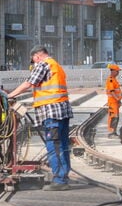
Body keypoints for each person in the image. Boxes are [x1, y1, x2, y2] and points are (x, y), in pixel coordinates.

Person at [7, 46, 73, 191]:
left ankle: (60, 180)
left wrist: (10, 95)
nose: (34, 64)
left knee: (54, 145)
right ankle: (64, 176)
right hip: (62, 110)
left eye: (33, 61)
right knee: (62, 144)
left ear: (37, 56)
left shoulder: (43, 64)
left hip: (51, 111)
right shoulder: (56, 65)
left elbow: (30, 82)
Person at [105, 64, 122, 138]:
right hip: (112, 102)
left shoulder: (114, 79)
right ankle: (112, 132)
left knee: (116, 117)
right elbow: (112, 92)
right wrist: (117, 99)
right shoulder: (111, 80)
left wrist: (118, 101)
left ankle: (114, 132)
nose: (118, 73)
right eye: (117, 71)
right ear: (113, 71)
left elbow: (116, 91)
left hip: (115, 102)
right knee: (113, 117)